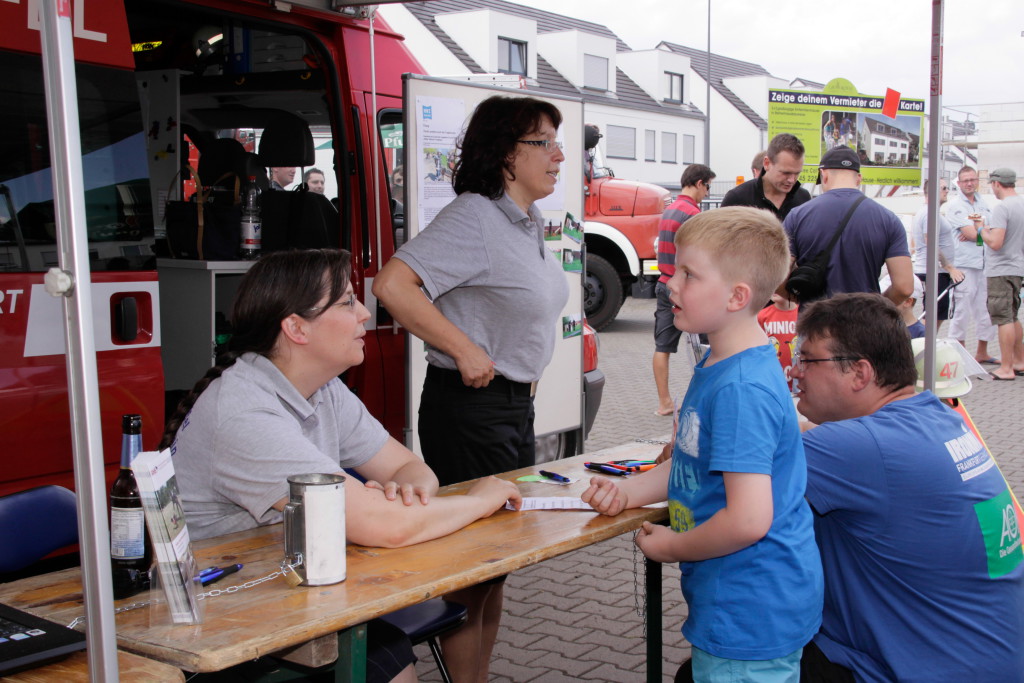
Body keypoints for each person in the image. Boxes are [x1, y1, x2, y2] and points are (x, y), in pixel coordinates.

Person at [162, 249, 522, 683]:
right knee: (386, 661)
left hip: (292, 593)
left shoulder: (323, 388)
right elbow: (386, 528)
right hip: (221, 626)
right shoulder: (244, 413)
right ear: (296, 328)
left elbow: (410, 469)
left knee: (391, 649)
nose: (365, 313)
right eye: (348, 302)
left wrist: (406, 499)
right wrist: (480, 501)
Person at [372, 95, 569, 683]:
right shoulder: (476, 216)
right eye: (544, 143)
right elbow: (392, 285)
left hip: (509, 410)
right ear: (507, 153)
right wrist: (463, 348)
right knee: (473, 568)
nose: (559, 155)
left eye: (557, 143)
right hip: (471, 411)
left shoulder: (524, 220)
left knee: (495, 564)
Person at [584, 207, 823, 682]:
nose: (670, 285)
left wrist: (674, 546)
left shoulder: (740, 389)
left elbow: (749, 520)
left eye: (689, 275)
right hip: (739, 601)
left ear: (737, 296)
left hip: (750, 609)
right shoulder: (720, 361)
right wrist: (626, 493)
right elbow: (690, 464)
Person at [791, 293, 1024, 682]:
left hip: (919, 671)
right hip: (986, 659)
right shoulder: (936, 417)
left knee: (723, 665)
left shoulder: (858, 448)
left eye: (808, 360)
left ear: (860, 373)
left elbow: (732, 474)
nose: (795, 372)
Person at [782, 146, 914, 305]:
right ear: (858, 178)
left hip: (814, 318)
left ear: (824, 175)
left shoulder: (797, 216)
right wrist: (877, 308)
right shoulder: (888, 220)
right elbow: (904, 288)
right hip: (865, 317)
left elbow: (777, 279)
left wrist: (805, 302)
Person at [653, 163, 716, 416]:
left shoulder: (669, 210)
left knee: (662, 347)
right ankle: (705, 400)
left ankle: (664, 403)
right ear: (699, 183)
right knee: (707, 345)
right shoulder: (693, 215)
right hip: (686, 288)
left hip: (663, 284)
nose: (707, 193)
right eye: (708, 187)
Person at [946, 165, 997, 363]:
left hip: (984, 264)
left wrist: (980, 231)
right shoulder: (955, 205)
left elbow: (993, 231)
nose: (969, 183)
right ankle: (960, 355)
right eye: (965, 180)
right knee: (961, 310)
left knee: (985, 310)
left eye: (972, 179)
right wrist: (983, 232)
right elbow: (971, 233)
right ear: (959, 183)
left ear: (977, 181)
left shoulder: (984, 204)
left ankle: (982, 352)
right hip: (964, 265)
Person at [979, 167, 1024, 380]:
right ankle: (1019, 361)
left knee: (1003, 318)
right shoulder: (1021, 204)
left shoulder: (1002, 207)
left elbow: (996, 243)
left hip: (1000, 269)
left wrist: (981, 230)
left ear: (997, 183)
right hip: (1016, 267)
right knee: (1013, 315)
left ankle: (1006, 368)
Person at [721, 133, 811, 220]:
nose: (791, 180)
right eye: (786, 173)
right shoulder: (738, 198)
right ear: (767, 163)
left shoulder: (804, 198)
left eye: (797, 173)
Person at [911, 179, 964, 328]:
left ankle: (926, 341)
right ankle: (921, 341)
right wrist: (949, 267)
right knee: (932, 315)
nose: (947, 191)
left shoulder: (931, 212)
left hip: (936, 271)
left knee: (936, 314)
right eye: (943, 188)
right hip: (934, 272)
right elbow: (931, 242)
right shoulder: (929, 213)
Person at [758, 292, 799, 390]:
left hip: (799, 383)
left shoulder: (804, 313)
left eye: (780, 285)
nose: (776, 289)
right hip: (772, 383)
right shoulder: (762, 316)